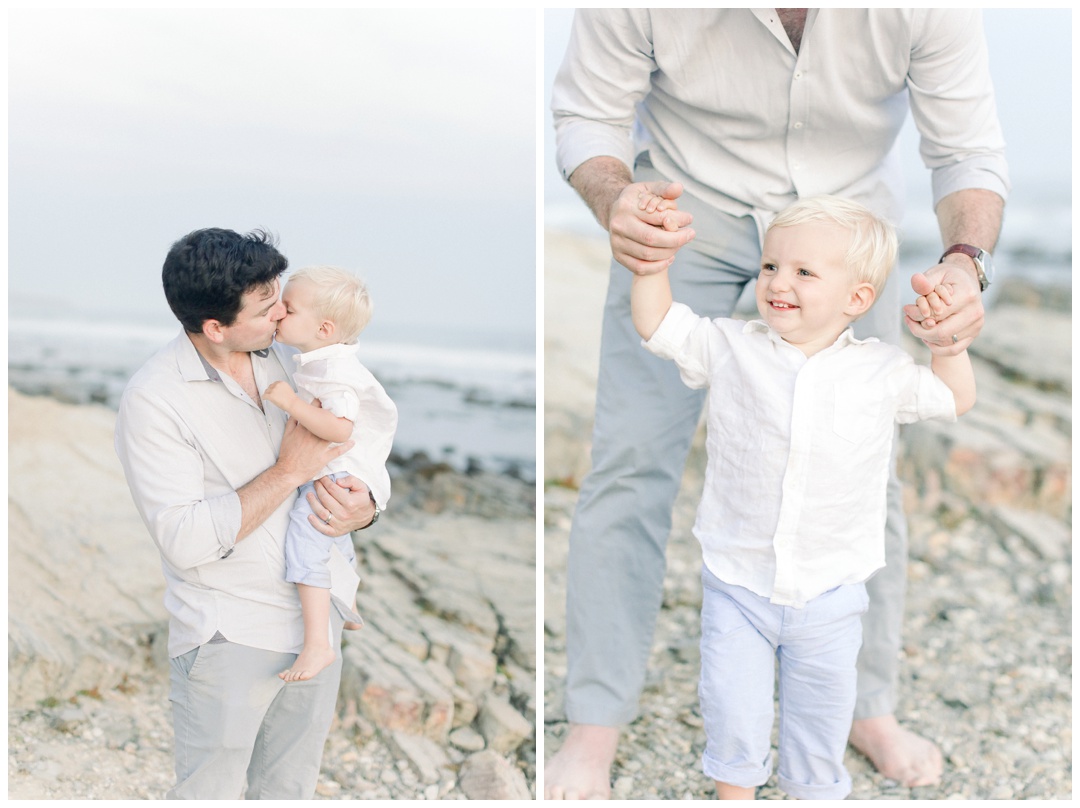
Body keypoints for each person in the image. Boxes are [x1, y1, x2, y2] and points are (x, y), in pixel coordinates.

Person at [547, 8, 1008, 798]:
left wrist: (965, 261)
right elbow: (589, 112)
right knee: (629, 464)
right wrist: (616, 197)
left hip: (848, 233)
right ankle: (594, 722)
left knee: (871, 469)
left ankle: (867, 707)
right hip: (689, 210)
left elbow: (965, 148)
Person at [631, 194, 973, 799]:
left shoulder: (881, 372)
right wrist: (651, 267)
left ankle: (812, 791)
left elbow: (953, 399)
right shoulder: (732, 346)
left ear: (857, 300)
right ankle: (732, 791)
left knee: (820, 720)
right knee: (733, 706)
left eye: (803, 272)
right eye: (770, 267)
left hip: (831, 591)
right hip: (738, 580)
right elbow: (659, 325)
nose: (777, 282)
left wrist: (947, 346)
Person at [114, 228, 379, 799]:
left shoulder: (294, 358)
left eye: (281, 296)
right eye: (267, 307)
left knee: (290, 790)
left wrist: (368, 507)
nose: (283, 312)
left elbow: (362, 440)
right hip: (229, 634)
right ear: (215, 327)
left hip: (318, 618)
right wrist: (287, 472)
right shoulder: (154, 400)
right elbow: (182, 539)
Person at [262, 265, 398, 683]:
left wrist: (289, 402)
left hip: (340, 472)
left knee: (307, 538)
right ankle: (348, 605)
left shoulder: (334, 373)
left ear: (322, 328)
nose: (278, 312)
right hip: (345, 471)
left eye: (289, 307)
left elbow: (340, 427)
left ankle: (317, 642)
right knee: (336, 539)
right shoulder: (323, 358)